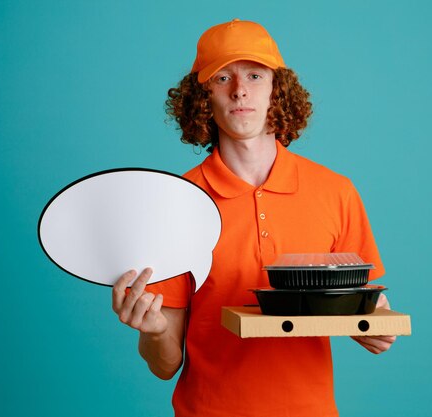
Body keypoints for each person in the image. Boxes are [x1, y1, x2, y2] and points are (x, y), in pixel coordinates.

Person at [112, 19, 396, 417]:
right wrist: (153, 331)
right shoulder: (177, 204)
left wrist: (375, 326)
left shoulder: (336, 191)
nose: (240, 89)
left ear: (276, 90)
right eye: (222, 77)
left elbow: (366, 309)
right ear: (203, 96)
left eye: (254, 75)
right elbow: (165, 365)